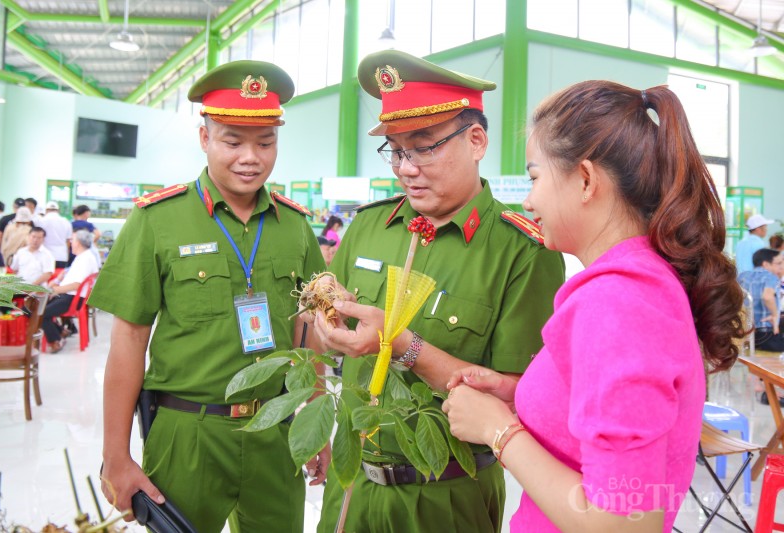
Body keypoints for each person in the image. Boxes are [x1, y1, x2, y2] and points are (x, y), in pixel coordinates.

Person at [441, 81, 744, 533]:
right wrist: (514, 392)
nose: (529, 200)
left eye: (535, 177)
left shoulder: (617, 305)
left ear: (585, 180)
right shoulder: (632, 286)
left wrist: (498, 432)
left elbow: (625, 521)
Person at [313, 50, 565, 533]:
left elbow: (518, 401)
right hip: (352, 491)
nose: (406, 168)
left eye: (424, 147)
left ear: (476, 140)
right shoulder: (369, 228)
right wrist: (329, 332)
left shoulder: (522, 252)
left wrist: (403, 346)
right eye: (396, 150)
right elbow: (330, 327)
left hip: (447, 498)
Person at [87, 60, 329, 533]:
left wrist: (313, 418)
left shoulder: (295, 225)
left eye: (265, 142)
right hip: (187, 432)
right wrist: (115, 456)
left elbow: (309, 329)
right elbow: (129, 340)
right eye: (232, 141)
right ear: (204, 138)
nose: (250, 158)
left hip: (275, 429)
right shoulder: (157, 220)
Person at [43, 230, 100, 353]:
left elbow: (76, 285)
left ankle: (55, 341)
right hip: (68, 295)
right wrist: (57, 281)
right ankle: (60, 331)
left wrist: (53, 290)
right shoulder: (83, 256)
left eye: (72, 240)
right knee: (34, 309)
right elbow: (69, 274)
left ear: (78, 243)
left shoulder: (85, 259)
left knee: (41, 312)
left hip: (72, 298)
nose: (70, 242)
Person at [738, 248, 784, 352]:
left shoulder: (742, 276)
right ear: (766, 264)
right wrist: (775, 315)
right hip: (766, 334)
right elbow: (767, 297)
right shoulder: (771, 277)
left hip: (746, 334)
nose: (781, 266)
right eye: (778, 263)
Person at [36, 201, 73, 269]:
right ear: (58, 210)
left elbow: (38, 238)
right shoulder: (66, 222)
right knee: (58, 278)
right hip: (61, 256)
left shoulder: (41, 221)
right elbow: (68, 241)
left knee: (45, 278)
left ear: (46, 210)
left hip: (45, 256)